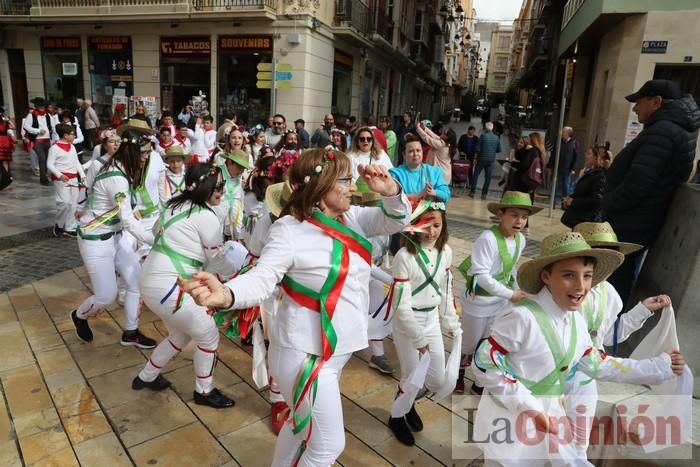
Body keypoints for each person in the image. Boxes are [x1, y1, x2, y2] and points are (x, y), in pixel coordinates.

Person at [179, 148, 411, 466]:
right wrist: (227, 295)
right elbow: (262, 278)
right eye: (345, 179)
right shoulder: (289, 229)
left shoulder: (351, 218)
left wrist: (392, 191)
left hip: (332, 353)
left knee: (300, 427)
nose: (353, 185)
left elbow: (395, 221)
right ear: (322, 185)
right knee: (328, 446)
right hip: (305, 357)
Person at [472, 231, 685, 465]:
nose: (580, 286)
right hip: (510, 418)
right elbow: (484, 362)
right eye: (568, 275)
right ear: (546, 276)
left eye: (587, 276)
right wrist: (528, 406)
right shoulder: (522, 317)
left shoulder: (574, 320)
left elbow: (596, 363)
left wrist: (658, 367)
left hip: (550, 415)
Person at [134, 164, 237, 408]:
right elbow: (216, 258)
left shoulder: (173, 204)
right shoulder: (207, 217)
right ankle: (204, 391)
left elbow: (155, 231)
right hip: (170, 287)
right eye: (219, 187)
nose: (223, 191)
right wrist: (238, 275)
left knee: (180, 334)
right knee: (209, 336)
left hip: (151, 281)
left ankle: (146, 377)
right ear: (205, 187)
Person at [566, 221, 672, 459]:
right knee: (546, 440)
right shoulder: (563, 291)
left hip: (586, 380)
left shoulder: (610, 295)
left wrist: (642, 310)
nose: (604, 263)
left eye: (612, 256)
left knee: (578, 443)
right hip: (556, 377)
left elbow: (609, 334)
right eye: (597, 255)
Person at [602, 79, 700, 308]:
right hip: (639, 220)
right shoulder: (673, 129)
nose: (635, 108)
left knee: (617, 281)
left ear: (656, 102)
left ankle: (608, 329)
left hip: (631, 223)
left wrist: (607, 203)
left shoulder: (663, 132)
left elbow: (638, 184)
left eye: (639, 102)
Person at [70, 123, 157, 348]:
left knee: (136, 283)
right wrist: (155, 241)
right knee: (106, 296)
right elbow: (128, 219)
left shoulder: (124, 169)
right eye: (145, 152)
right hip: (95, 241)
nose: (147, 157)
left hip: (116, 237)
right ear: (133, 151)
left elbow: (127, 217)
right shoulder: (116, 177)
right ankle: (79, 316)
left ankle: (131, 332)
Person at [387, 200, 461, 446]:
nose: (431, 232)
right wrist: (418, 339)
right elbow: (401, 305)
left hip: (431, 320)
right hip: (409, 322)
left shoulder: (446, 251)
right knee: (410, 376)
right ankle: (397, 415)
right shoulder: (404, 256)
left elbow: (446, 289)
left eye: (437, 225)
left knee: (437, 379)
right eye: (426, 225)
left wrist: (450, 320)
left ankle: (407, 404)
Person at [455, 192, 541, 394]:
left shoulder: (520, 240)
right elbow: (481, 275)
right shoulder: (488, 239)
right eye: (514, 214)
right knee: (469, 341)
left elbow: (510, 268)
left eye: (524, 216)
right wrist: (510, 294)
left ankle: (481, 378)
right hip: (479, 302)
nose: (519, 221)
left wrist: (517, 289)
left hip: (500, 302)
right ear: (500, 214)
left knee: (489, 342)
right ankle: (458, 372)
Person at [47, 124, 85, 237]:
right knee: (64, 203)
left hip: (73, 178)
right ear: (65, 135)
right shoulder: (54, 148)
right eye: (72, 134)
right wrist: (59, 175)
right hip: (61, 180)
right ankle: (59, 224)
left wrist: (82, 174)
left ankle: (70, 227)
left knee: (73, 203)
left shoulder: (72, 147)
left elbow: (76, 162)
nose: (74, 136)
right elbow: (49, 164)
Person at [389, 133, 450, 203]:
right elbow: (392, 199)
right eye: (411, 151)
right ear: (404, 155)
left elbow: (446, 195)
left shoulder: (435, 172)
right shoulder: (395, 174)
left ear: (422, 152)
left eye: (418, 150)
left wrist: (434, 192)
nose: (415, 154)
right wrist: (418, 195)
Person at [560, 145, 606, 228]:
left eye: (588, 154)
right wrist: (569, 199)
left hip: (586, 221)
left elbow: (596, 200)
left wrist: (574, 202)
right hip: (578, 219)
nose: (586, 156)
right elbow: (580, 192)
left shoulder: (599, 176)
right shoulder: (588, 173)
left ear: (596, 157)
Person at [212, 149, 249, 241]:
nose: (241, 171)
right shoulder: (216, 173)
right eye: (239, 167)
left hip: (234, 217)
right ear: (229, 162)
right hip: (218, 215)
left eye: (243, 168)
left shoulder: (239, 178)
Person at [22, 97, 53, 185]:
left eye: (43, 106)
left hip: (47, 140)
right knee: (42, 159)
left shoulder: (48, 115)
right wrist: (38, 130)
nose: (42, 108)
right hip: (37, 141)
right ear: (36, 106)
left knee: (47, 159)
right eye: (40, 106)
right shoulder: (31, 115)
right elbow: (26, 127)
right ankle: (43, 179)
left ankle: (45, 175)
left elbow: (53, 125)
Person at [415, 117, 454, 184]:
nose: (442, 132)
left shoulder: (441, 145)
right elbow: (434, 136)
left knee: (433, 193)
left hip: (440, 176)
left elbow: (427, 138)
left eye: (444, 133)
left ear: (447, 137)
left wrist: (418, 128)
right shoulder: (445, 143)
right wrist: (424, 128)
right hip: (442, 174)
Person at [470, 122, 501, 199]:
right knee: (488, 177)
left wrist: (474, 158)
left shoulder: (483, 136)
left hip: (481, 159)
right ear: (492, 128)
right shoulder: (496, 138)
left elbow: (477, 149)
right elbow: (499, 149)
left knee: (476, 175)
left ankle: (472, 192)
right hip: (490, 160)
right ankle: (484, 194)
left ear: (485, 128)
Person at [550, 126, 578, 203]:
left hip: (567, 168)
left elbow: (576, 156)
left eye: (563, 131)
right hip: (557, 167)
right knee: (555, 184)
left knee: (566, 186)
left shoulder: (574, 143)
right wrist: (550, 164)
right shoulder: (558, 141)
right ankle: (553, 201)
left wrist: (573, 168)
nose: (561, 133)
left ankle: (565, 201)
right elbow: (554, 153)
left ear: (568, 133)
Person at [0, 106, 17, 190]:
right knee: (5, 161)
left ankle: (5, 178)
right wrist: (8, 120)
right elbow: (14, 127)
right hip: (5, 141)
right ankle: (6, 178)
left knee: (3, 162)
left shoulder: (4, 121)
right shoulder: (5, 121)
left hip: (1, 141)